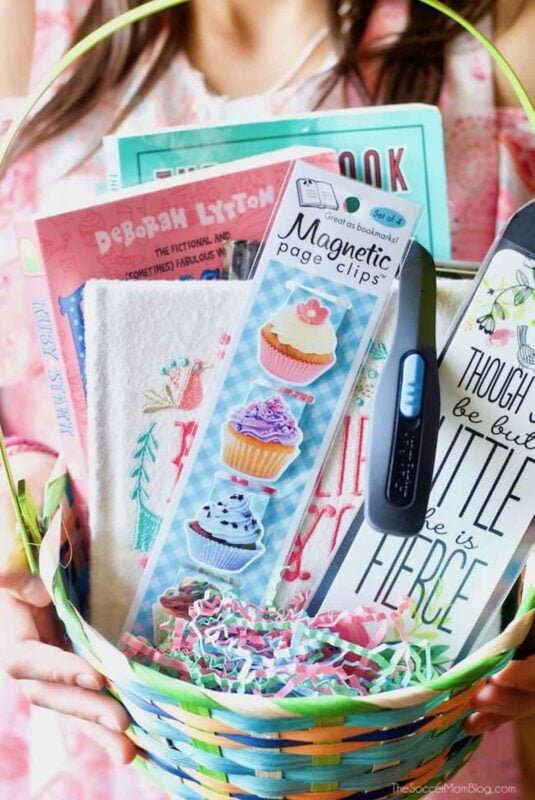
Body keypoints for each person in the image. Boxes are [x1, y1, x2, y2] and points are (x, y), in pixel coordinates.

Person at [0, 0, 534, 797]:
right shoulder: (27, 30)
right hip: (107, 719)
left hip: (400, 723)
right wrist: (16, 530)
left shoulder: (500, 40)